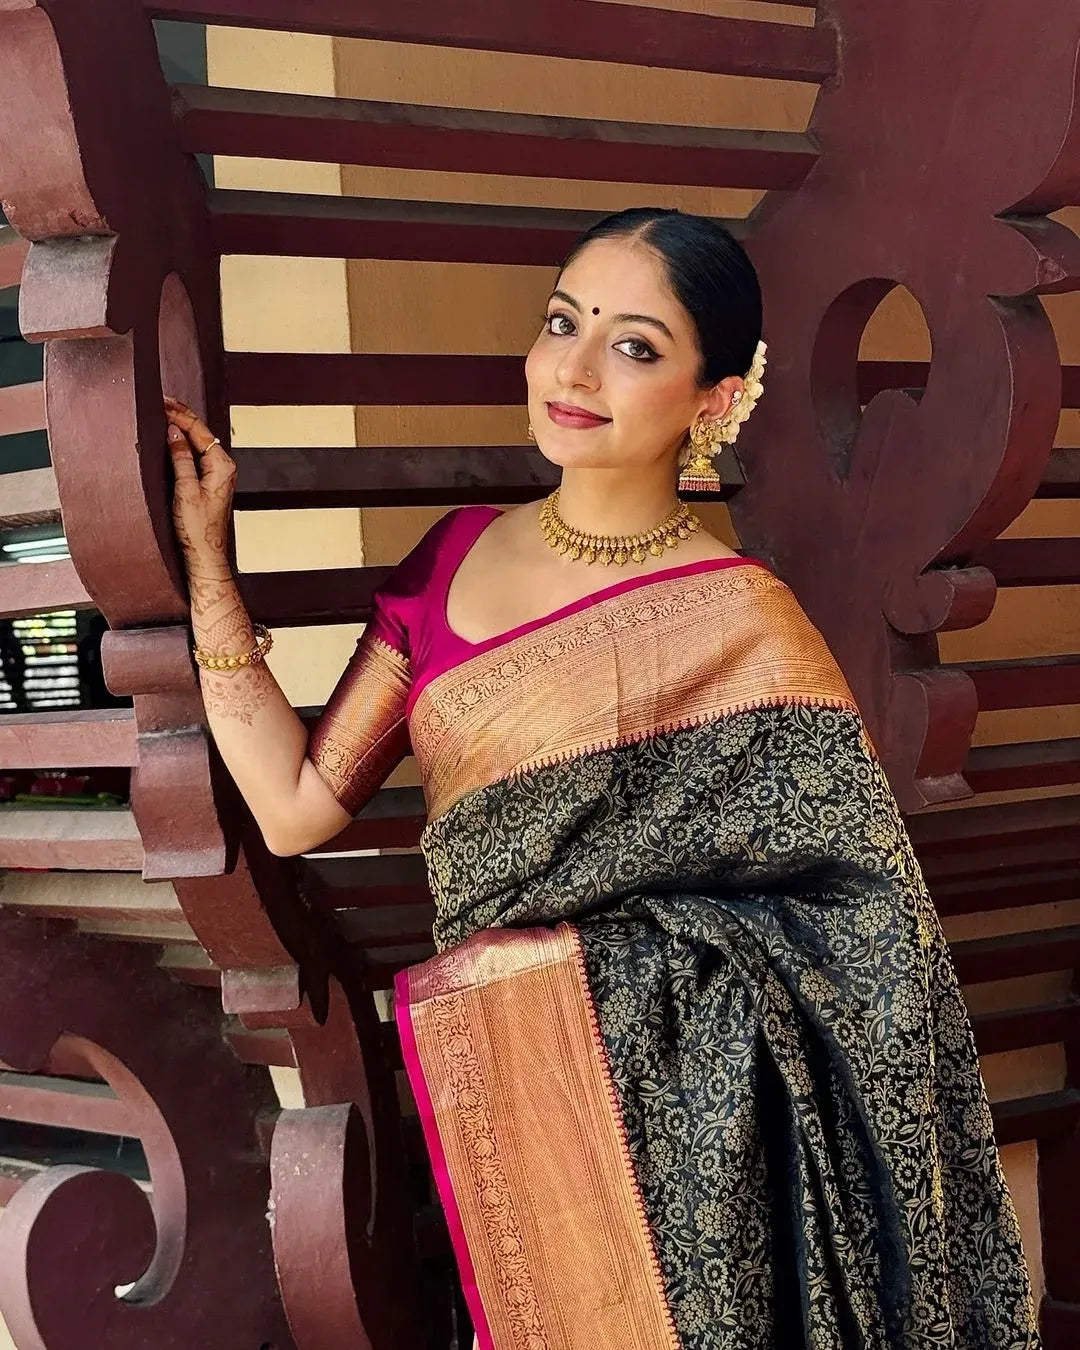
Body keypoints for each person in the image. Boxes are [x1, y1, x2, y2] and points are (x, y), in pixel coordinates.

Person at [166, 207, 1039, 1349]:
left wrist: (586, 972)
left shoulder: (744, 621)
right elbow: (293, 808)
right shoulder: (450, 558)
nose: (573, 371)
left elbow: (866, 929)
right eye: (561, 323)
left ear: (716, 397)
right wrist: (207, 568)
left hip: (692, 1143)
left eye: (633, 345)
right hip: (522, 1102)